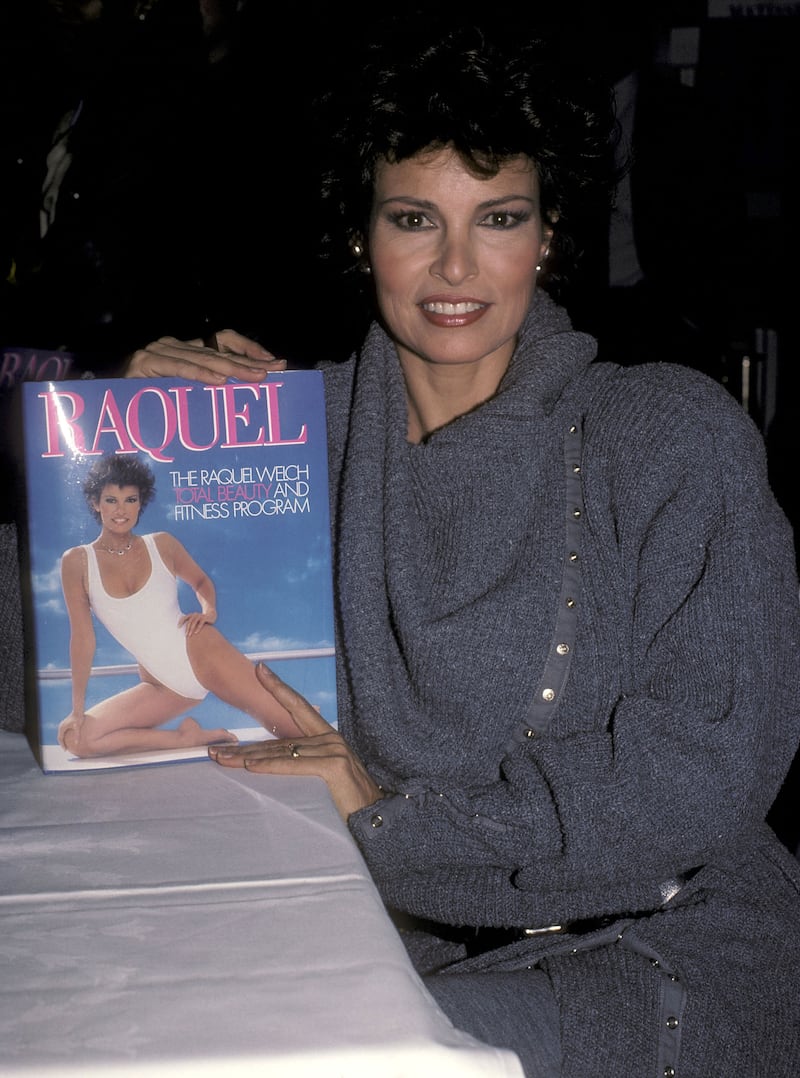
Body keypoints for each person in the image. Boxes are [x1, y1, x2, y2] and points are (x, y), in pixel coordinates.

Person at [124, 16, 800, 1076]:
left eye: (496, 217)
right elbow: (57, 686)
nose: (452, 264)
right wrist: (115, 457)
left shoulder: (667, 435)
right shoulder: (278, 446)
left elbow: (703, 772)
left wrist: (390, 821)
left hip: (660, 941)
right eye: (410, 217)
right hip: (363, 937)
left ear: (547, 233)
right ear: (360, 234)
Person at [58, 453, 301, 758]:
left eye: (130, 500)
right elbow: (82, 638)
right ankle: (186, 738)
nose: (121, 510)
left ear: (140, 503)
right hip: (166, 688)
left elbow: (201, 582)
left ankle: (306, 714)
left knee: (293, 729)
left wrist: (209, 612)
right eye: (111, 500)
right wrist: (76, 710)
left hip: (199, 649)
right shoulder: (77, 562)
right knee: (79, 740)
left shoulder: (162, 544)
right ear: (95, 502)